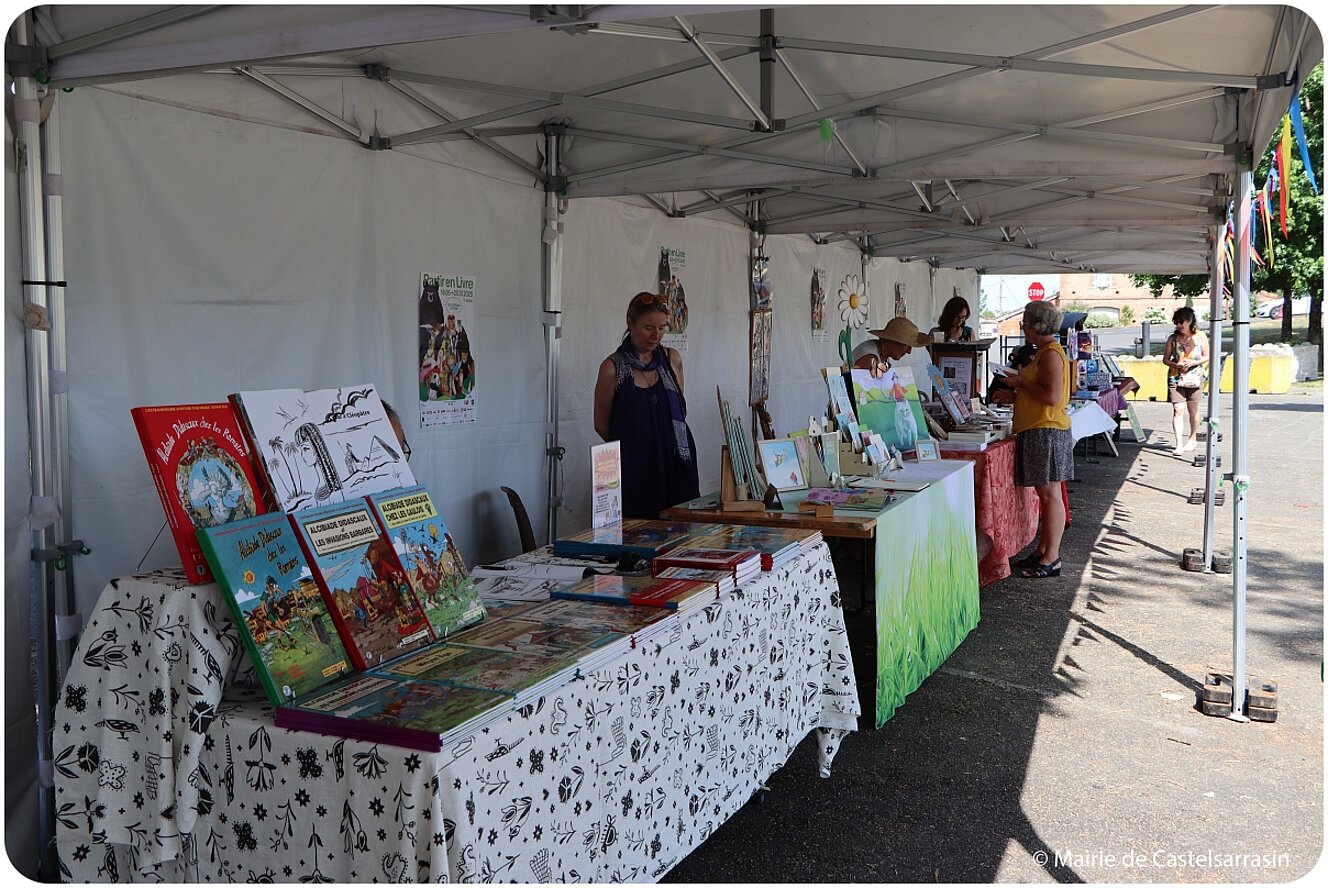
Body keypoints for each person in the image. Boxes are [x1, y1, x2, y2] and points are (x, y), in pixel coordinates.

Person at [593, 292, 700, 518]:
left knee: (681, 535)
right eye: (649, 327)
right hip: (636, 472)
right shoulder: (612, 368)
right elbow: (602, 425)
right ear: (630, 323)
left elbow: (681, 410)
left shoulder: (672, 360)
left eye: (662, 328)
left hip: (676, 467)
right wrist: (635, 450)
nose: (656, 335)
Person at [995, 301, 1072, 579]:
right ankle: (1044, 550)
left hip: (1046, 430)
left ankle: (1052, 557)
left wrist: (1020, 384)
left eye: (1025, 322)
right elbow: (1045, 395)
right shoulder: (1045, 353)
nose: (1023, 327)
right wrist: (1015, 396)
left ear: (1036, 325)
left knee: (1050, 495)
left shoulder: (1051, 354)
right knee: (1045, 494)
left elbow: (1051, 397)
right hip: (1041, 428)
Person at [1162, 307, 1208, 455]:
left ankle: (1192, 438)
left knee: (1193, 410)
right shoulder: (1173, 339)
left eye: (1182, 322)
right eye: (1177, 323)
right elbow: (1165, 359)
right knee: (1178, 410)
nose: (1179, 326)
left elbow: (1208, 355)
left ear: (1190, 321)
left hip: (1195, 377)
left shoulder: (1200, 337)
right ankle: (1178, 444)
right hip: (1176, 377)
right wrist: (1176, 364)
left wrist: (1193, 363)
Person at [851, 316, 932, 377]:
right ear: (893, 342)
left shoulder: (880, 352)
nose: (909, 351)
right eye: (907, 346)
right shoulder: (870, 358)